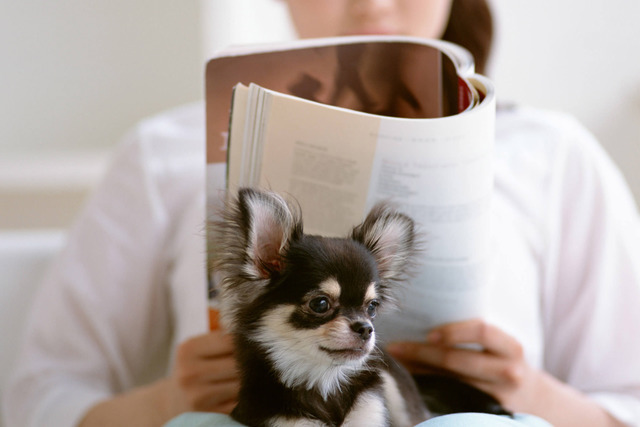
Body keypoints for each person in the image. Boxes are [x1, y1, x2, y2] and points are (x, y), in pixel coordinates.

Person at [3, 1, 640, 426]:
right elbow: (38, 402)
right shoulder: (161, 155)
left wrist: (525, 391)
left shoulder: (553, 156)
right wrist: (170, 398)